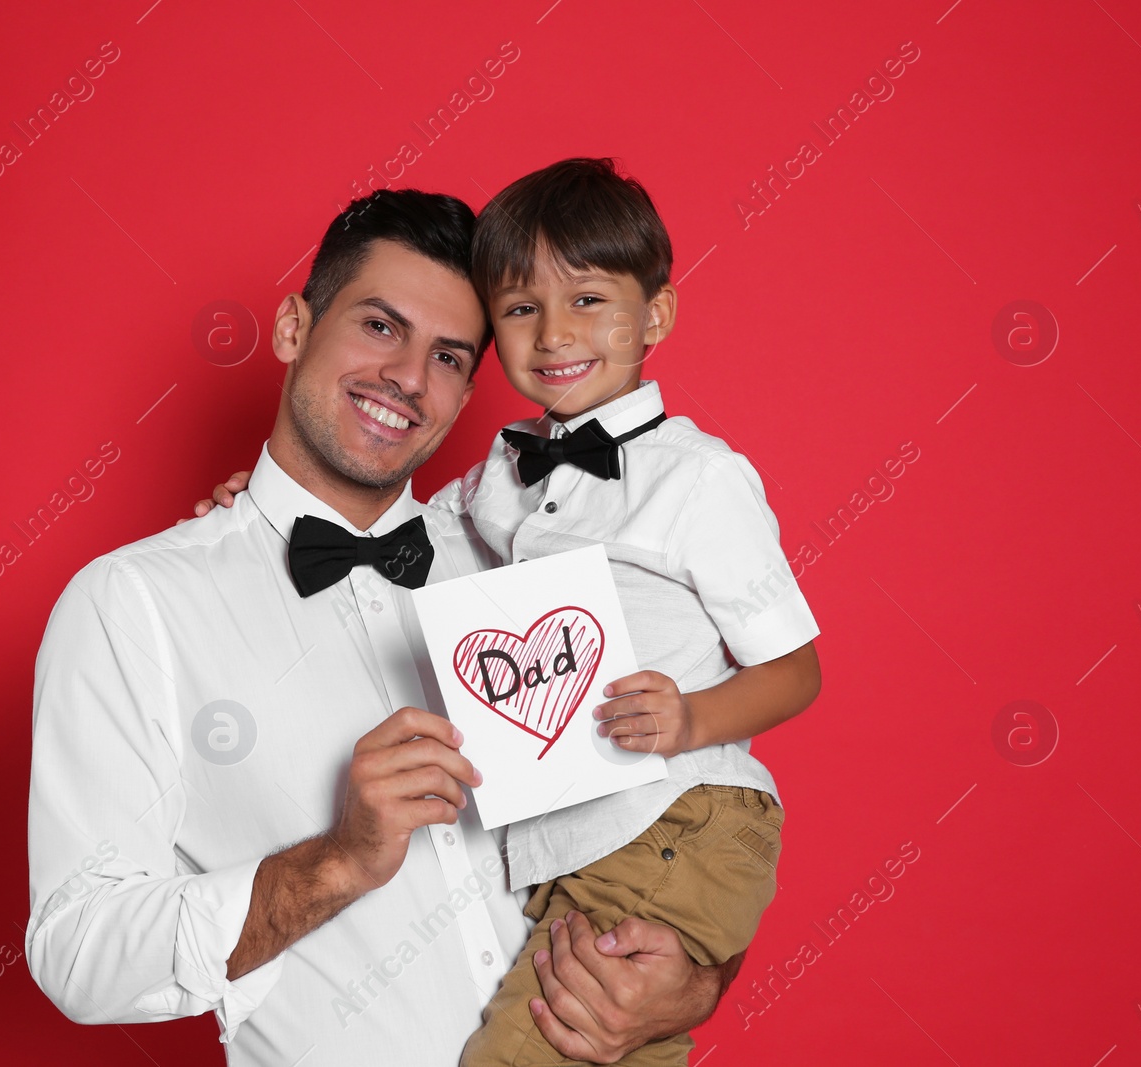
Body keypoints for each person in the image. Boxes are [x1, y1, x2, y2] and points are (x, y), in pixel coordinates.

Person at [26, 187, 734, 1067]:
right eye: (379, 326)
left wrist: (700, 974)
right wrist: (337, 861)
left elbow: (685, 803)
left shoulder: (526, 557)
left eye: (447, 355)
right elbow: (76, 947)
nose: (407, 377)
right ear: (293, 329)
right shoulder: (134, 606)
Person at [202, 158, 823, 1066]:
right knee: (613, 1043)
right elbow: (392, 535)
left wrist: (689, 716)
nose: (554, 333)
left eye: (589, 301)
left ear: (655, 316)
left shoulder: (701, 480)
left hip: (677, 819)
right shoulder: (499, 476)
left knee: (519, 1051)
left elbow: (797, 670)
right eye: (522, 308)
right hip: (571, 841)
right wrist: (264, 509)